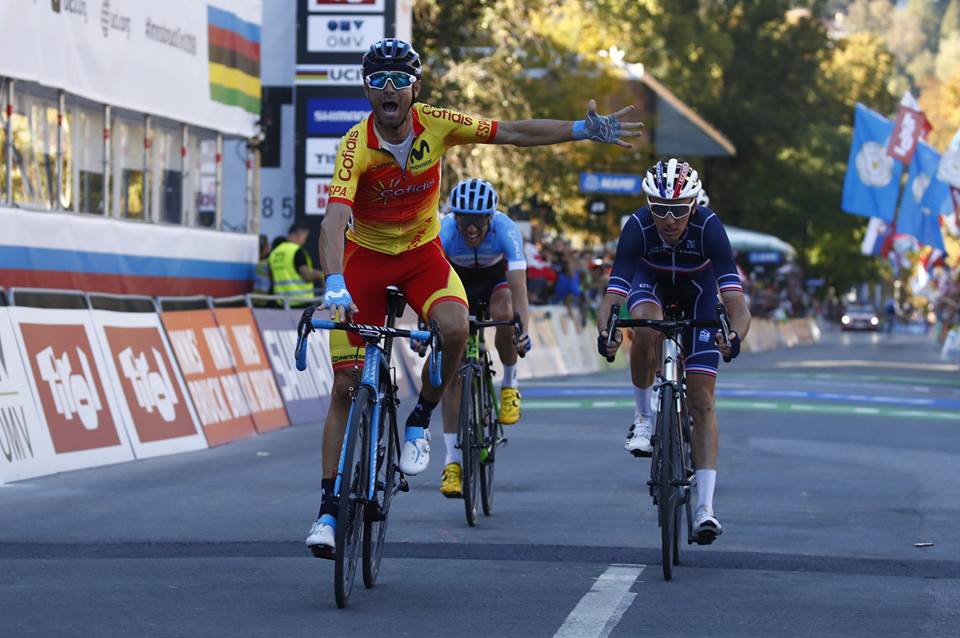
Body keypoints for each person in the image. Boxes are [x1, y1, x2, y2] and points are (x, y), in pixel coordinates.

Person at [306, 38, 644, 554]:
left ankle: (420, 421)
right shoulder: (356, 145)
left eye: (401, 80)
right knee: (346, 385)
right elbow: (333, 222)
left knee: (457, 328)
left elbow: (511, 132)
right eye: (380, 81)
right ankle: (329, 511)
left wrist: (579, 129)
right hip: (365, 263)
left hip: (422, 257)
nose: (390, 89)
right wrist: (334, 282)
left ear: (415, 89)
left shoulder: (437, 124)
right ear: (367, 90)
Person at [597, 158, 751, 545]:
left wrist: (734, 336)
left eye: (678, 211)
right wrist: (607, 332)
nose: (668, 220)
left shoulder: (709, 228)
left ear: (694, 206)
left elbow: (734, 300)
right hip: (651, 288)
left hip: (698, 294)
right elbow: (614, 295)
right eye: (659, 209)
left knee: (702, 403)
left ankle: (705, 509)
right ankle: (644, 417)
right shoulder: (636, 227)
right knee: (646, 323)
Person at [435, 177, 532, 498]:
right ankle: (452, 462)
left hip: (495, 283)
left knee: (505, 313)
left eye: (478, 221)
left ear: (491, 218)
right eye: (464, 220)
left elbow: (519, 287)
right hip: (456, 283)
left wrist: (522, 330)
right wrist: (428, 327)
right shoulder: (444, 230)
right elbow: (429, 283)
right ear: (455, 217)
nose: (471, 228)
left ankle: (509, 384)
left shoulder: (507, 229)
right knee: (453, 377)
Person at [268, 223, 325, 307]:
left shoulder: (274, 253)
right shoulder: (297, 251)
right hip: (301, 302)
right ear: (298, 234)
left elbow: (272, 277)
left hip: (282, 303)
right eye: (304, 238)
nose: (304, 241)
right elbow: (307, 276)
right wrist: (322, 275)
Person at [252, 234, 272, 301]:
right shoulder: (268, 263)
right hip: (265, 300)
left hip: (255, 300)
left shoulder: (254, 263)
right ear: (266, 247)